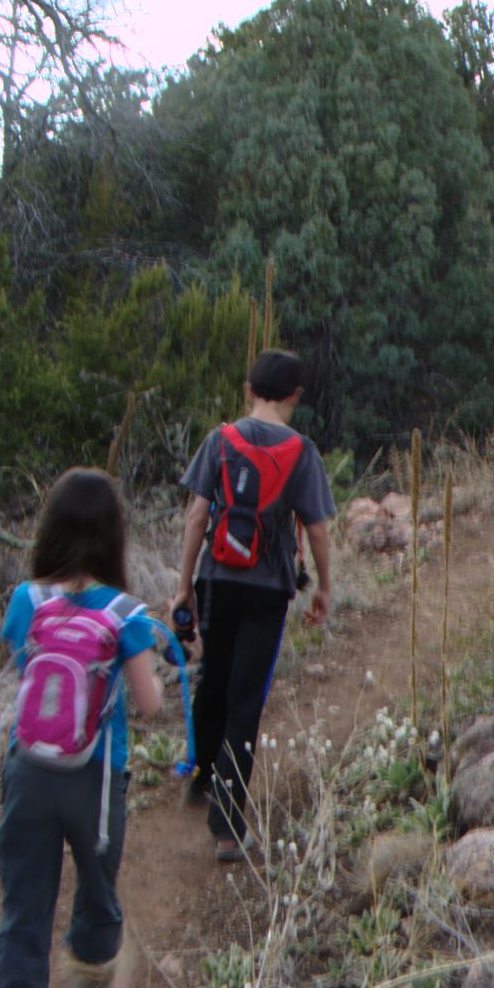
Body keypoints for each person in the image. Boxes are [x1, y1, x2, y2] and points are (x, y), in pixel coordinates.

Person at [0, 468, 162, 988]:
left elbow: (27, 670)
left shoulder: (27, 598)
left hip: (28, 774)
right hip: (96, 779)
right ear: (114, 535)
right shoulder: (126, 613)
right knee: (95, 896)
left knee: (22, 908)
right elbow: (149, 701)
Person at [172, 350, 336, 863]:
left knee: (213, 682)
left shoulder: (220, 440)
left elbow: (198, 515)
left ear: (248, 390)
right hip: (269, 590)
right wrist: (324, 586)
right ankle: (226, 827)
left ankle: (200, 778)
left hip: (217, 579)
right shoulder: (302, 451)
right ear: (295, 396)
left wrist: (183, 588)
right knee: (246, 696)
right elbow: (316, 527)